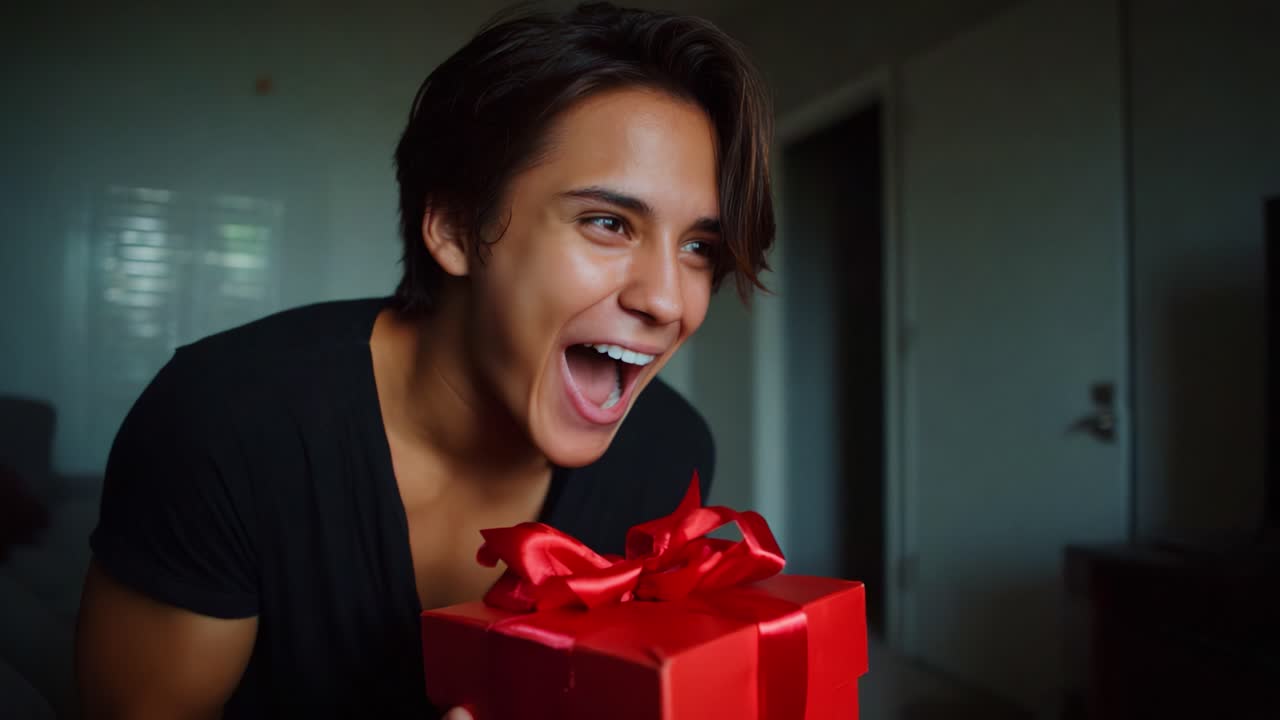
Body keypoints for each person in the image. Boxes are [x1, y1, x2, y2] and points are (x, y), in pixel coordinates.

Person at [74, 2, 775, 718]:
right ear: (454, 229)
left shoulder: (669, 452)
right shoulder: (224, 421)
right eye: (607, 223)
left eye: (699, 247)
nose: (667, 300)